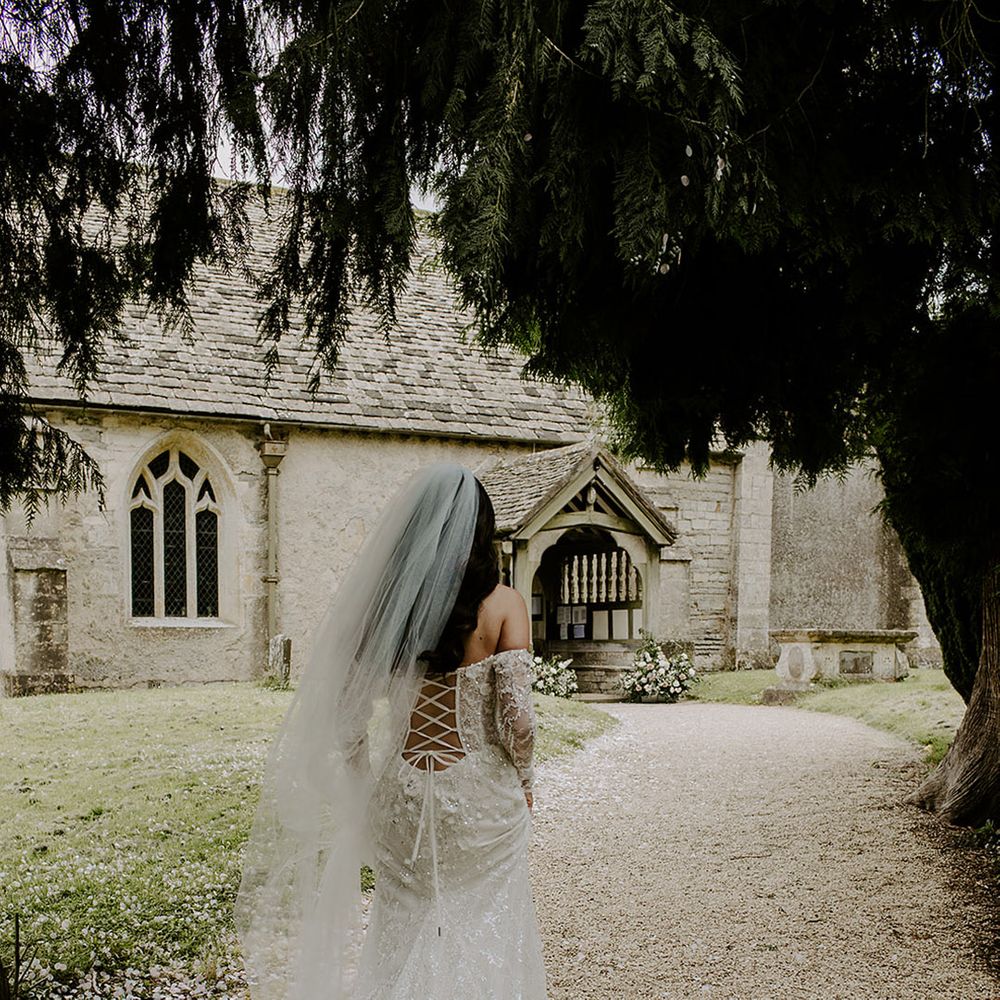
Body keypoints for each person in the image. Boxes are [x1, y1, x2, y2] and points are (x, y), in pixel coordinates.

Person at [236, 463, 547, 1000]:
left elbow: (344, 715)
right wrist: (524, 777)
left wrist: (364, 782)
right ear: (480, 529)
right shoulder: (503, 604)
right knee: (481, 919)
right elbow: (517, 721)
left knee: (404, 923)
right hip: (475, 798)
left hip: (399, 791)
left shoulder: (390, 612)